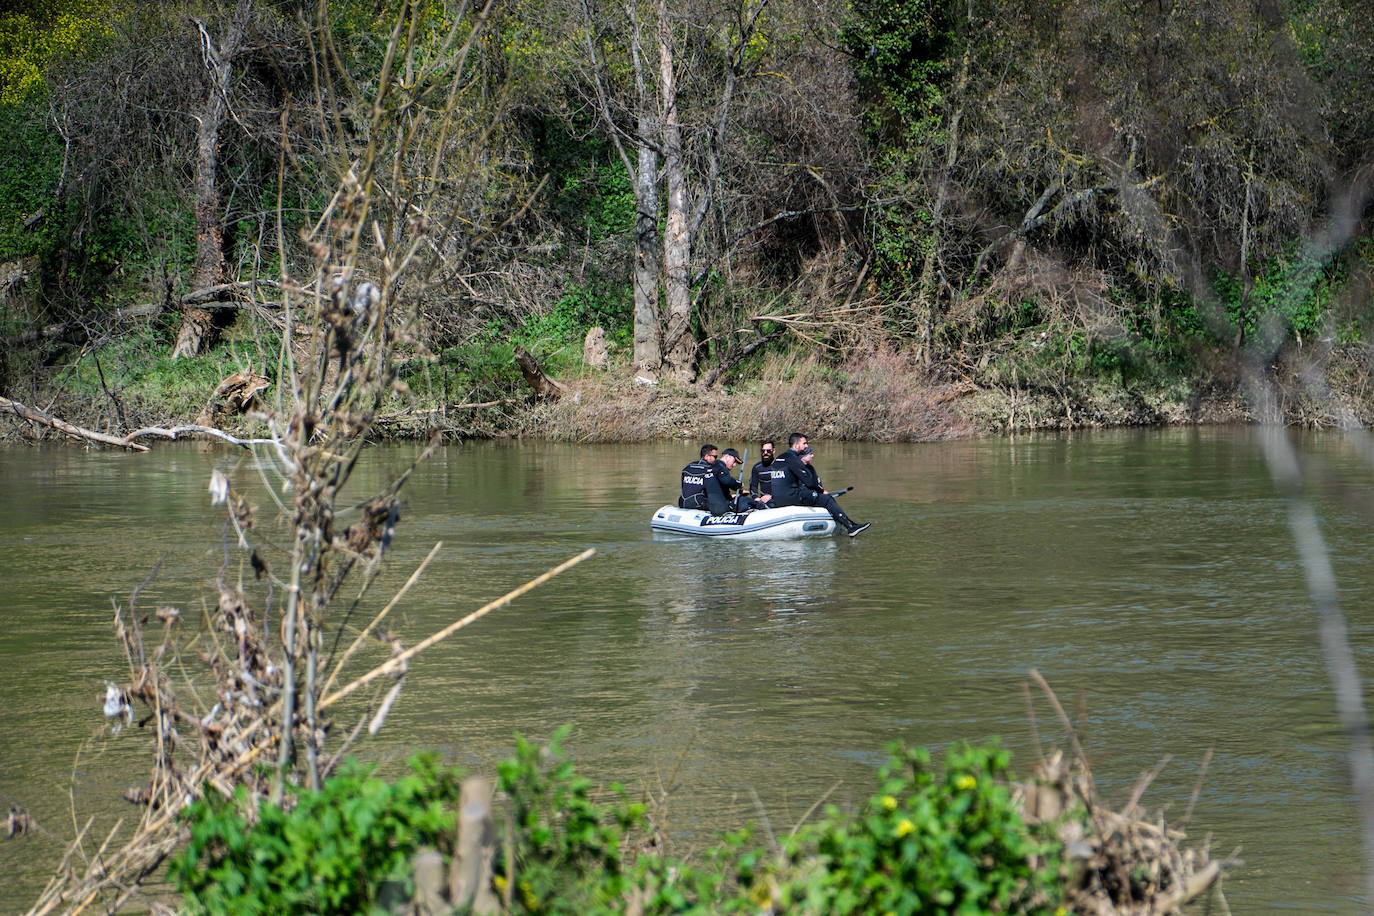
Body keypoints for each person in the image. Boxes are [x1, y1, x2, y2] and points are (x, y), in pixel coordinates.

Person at [770, 433, 871, 537]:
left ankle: (851, 524)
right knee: (826, 499)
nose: (806, 446)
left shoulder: (778, 459)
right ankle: (850, 527)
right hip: (792, 498)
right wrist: (821, 491)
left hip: (777, 500)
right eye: (804, 443)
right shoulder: (794, 460)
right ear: (796, 445)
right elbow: (809, 482)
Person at [679, 444, 717, 510]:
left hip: (682, 502)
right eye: (715, 457)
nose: (716, 459)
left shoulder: (688, 467)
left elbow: (683, 487)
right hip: (697, 503)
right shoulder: (709, 471)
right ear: (707, 456)